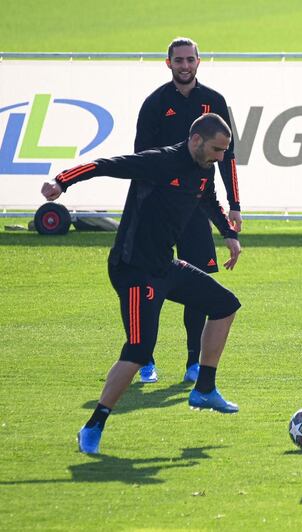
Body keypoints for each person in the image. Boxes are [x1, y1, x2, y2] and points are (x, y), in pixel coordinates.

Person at [41, 114, 243, 454]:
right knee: (138, 351)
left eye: (225, 151)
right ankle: (93, 426)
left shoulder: (204, 168)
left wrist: (229, 235)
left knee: (225, 305)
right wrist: (62, 182)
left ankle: (204, 388)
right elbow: (105, 165)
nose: (221, 157)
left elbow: (208, 197)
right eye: (217, 149)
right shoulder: (159, 162)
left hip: (164, 265)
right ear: (196, 140)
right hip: (133, 269)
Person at [133, 37, 242, 384]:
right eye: (177, 60)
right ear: (168, 64)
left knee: (198, 283)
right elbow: (140, 161)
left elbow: (228, 157)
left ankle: (193, 362)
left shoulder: (214, 102)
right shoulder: (154, 104)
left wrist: (234, 205)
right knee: (150, 285)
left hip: (196, 208)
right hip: (158, 212)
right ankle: (144, 358)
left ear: (199, 61)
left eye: (189, 59)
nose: (184, 65)